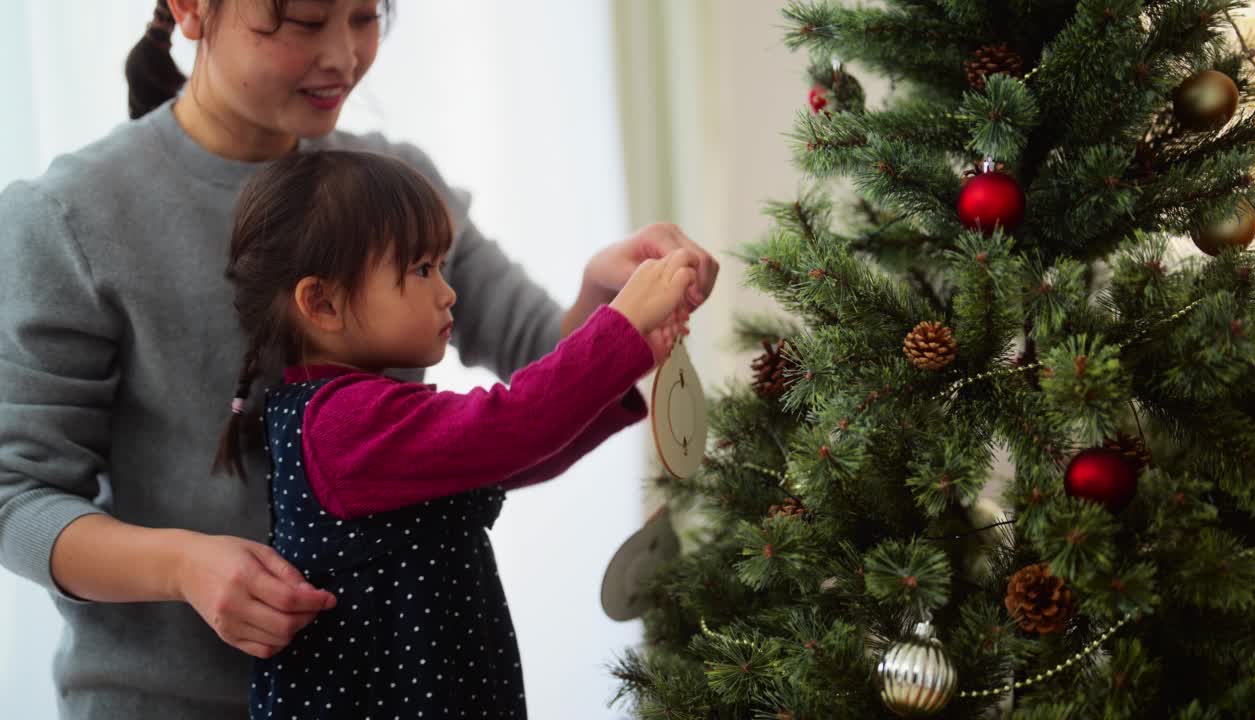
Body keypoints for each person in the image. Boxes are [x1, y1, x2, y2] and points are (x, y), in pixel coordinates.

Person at [0, 1, 718, 718]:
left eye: (365, 16)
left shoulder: (392, 187)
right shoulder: (67, 218)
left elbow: (536, 382)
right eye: (306, 22)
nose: (344, 56)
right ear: (190, 9)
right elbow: (17, 498)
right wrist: (182, 565)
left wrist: (604, 298)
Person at [221, 149, 694, 719]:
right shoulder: (342, 426)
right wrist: (620, 328)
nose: (447, 293)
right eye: (422, 271)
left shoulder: (364, 412)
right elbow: (513, 427)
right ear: (322, 303)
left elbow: (507, 454)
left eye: (441, 267)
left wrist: (630, 354)